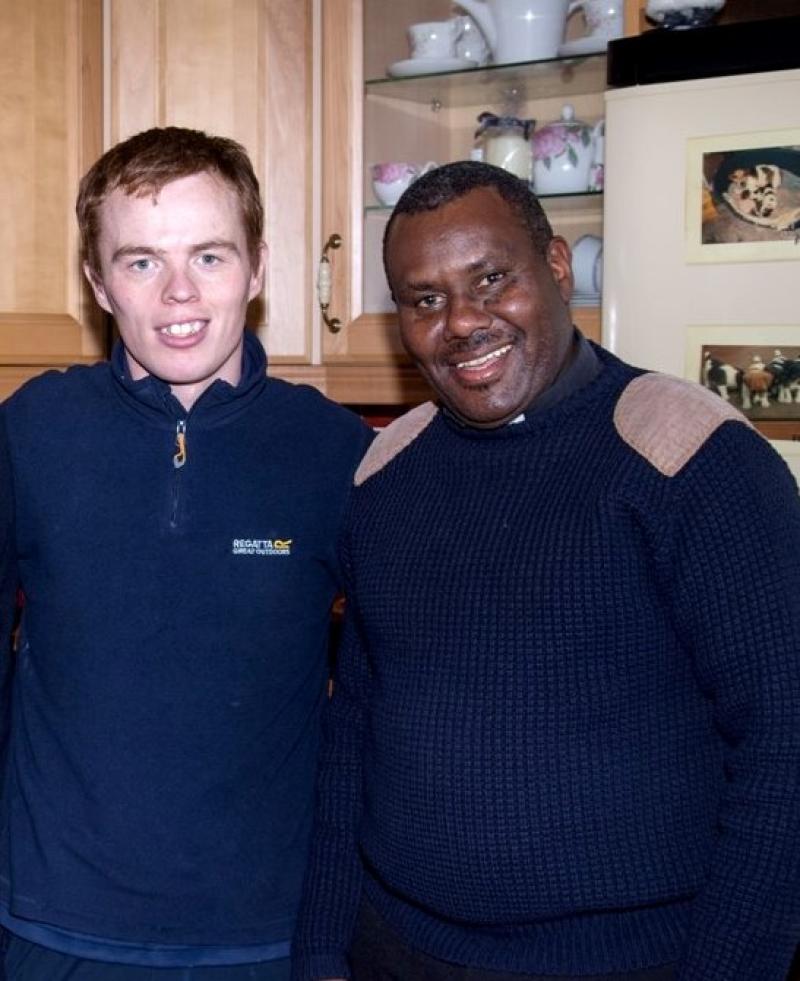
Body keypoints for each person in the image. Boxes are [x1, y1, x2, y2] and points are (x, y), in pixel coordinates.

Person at [292, 161, 800, 981]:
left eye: (492, 279)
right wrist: (319, 949)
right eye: (425, 299)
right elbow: (354, 727)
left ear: (557, 269)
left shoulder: (692, 459)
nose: (461, 321)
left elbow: (786, 748)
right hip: (394, 950)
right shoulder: (386, 472)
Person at [0, 127, 373, 980]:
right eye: (139, 262)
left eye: (209, 256)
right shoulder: (30, 432)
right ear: (97, 283)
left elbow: (383, 699)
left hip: (271, 933)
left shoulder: (338, 453)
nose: (178, 293)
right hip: (51, 930)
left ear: (259, 266)